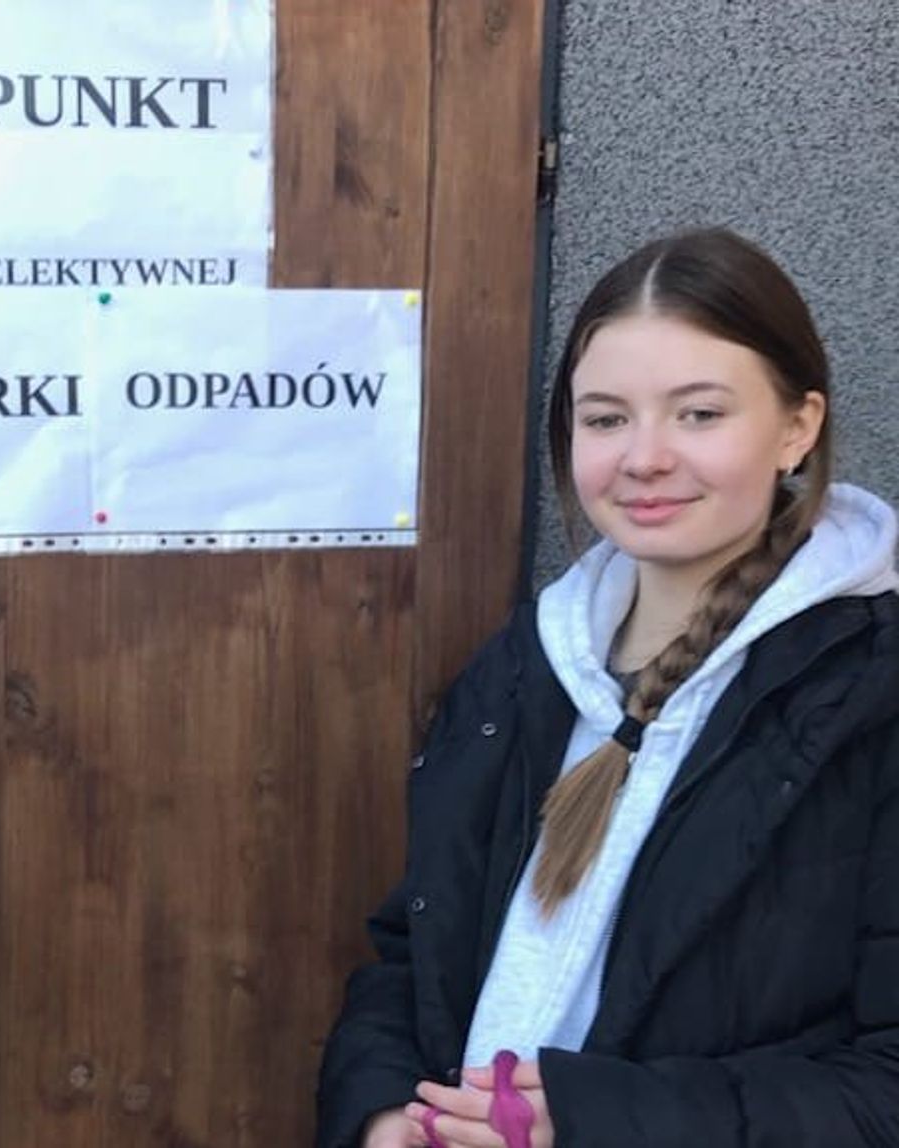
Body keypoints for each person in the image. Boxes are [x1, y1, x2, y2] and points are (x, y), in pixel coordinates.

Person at [317, 228, 899, 1147]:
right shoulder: (522, 670)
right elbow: (414, 955)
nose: (645, 457)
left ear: (798, 427)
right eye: (605, 419)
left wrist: (591, 1122)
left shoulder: (870, 696)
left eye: (699, 414)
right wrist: (386, 1110)